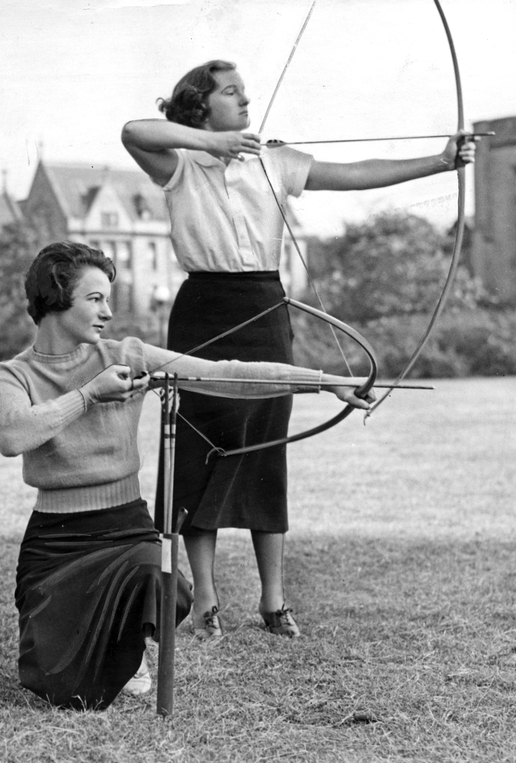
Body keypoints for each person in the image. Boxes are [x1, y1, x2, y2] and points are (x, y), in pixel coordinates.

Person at [120, 59, 476, 640]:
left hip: (262, 305)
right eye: (230, 92)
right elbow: (135, 131)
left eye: (244, 92)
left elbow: (357, 172)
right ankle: (206, 601)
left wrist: (438, 161)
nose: (244, 100)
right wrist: (214, 143)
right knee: (200, 449)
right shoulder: (178, 163)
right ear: (200, 104)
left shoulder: (275, 161)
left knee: (265, 446)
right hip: (204, 309)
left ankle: (273, 600)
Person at [0, 241, 371, 710]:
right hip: (55, 540)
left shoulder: (126, 353)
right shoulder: (11, 374)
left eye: (108, 298)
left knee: (163, 580)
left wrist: (324, 381)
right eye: (95, 299)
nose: (108, 311)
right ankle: (99, 643)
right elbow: (12, 437)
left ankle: (126, 647)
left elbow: (224, 373)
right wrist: (90, 394)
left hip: (124, 526)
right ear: (54, 297)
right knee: (54, 682)